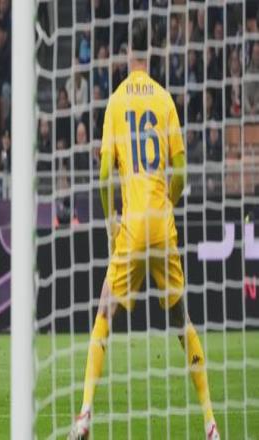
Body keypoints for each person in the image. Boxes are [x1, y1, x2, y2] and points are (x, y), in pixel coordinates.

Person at [68, 19, 220, 440]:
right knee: (182, 321)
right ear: (151, 56)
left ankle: (85, 415)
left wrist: (110, 221)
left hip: (132, 226)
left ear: (125, 56)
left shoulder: (116, 101)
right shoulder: (165, 99)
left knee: (104, 312)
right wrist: (168, 202)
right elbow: (181, 171)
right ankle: (210, 422)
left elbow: (104, 174)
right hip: (162, 224)